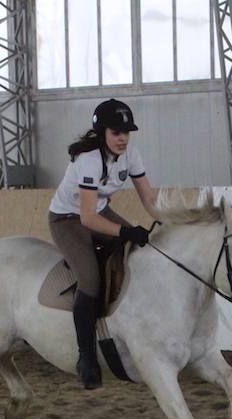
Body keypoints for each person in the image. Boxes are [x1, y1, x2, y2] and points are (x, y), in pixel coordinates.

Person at [48, 99, 164, 391]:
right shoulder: (88, 159)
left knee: (141, 252)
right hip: (68, 220)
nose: (123, 138)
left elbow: (149, 200)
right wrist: (125, 231)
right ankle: (85, 357)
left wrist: (170, 222)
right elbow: (86, 218)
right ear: (103, 133)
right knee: (90, 279)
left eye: (127, 132)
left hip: (99, 212)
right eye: (117, 132)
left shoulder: (131, 155)